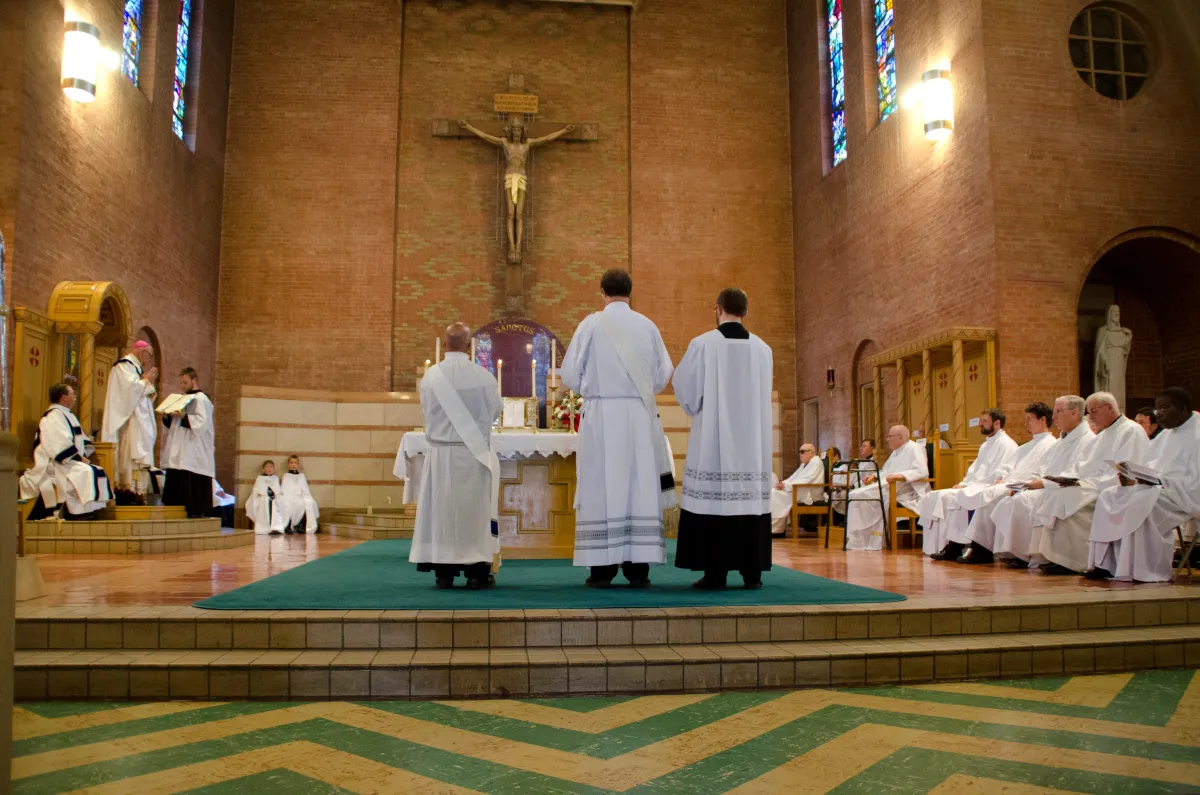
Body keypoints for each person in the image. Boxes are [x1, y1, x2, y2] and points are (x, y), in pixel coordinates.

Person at [561, 269, 674, 587]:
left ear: (602, 292)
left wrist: (593, 386)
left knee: (602, 484)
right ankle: (638, 569)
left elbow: (569, 374)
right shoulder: (647, 325)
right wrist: (641, 388)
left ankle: (602, 569)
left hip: (601, 417)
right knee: (638, 484)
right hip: (638, 415)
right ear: (630, 292)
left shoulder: (591, 324)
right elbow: (665, 370)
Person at [673, 288, 774, 590]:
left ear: (717, 308)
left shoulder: (703, 344)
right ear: (747, 310)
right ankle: (752, 574)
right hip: (752, 444)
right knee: (748, 504)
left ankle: (715, 574)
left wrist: (696, 407)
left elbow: (686, 390)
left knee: (715, 504)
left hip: (715, 441)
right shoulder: (763, 349)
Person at [410, 322, 503, 589]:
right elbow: (495, 411)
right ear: (469, 344)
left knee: (442, 513)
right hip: (472, 455)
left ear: (445, 342)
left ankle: (444, 572)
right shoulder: (484, 376)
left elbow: (426, 412)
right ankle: (476, 573)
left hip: (440, 456)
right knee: (472, 514)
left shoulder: (430, 377)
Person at [1024, 391, 1148, 574]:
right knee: (1056, 495)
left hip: (1112, 487)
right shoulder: (1102, 435)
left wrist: (1085, 482)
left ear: (1109, 408)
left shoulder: (1131, 430)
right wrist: (1066, 479)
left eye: (1094, 411)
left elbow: (1127, 469)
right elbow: (1083, 465)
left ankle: (1073, 560)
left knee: (1064, 499)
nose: (1091, 417)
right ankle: (1057, 556)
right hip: (1091, 484)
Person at [1087, 388, 1199, 582]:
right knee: (1109, 495)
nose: (1159, 413)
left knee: (1142, 501)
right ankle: (1106, 564)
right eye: (1157, 408)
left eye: (1165, 407)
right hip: (1160, 489)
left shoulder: (1197, 435)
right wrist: (1133, 476)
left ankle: (1143, 569)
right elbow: (1150, 466)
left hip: (1183, 496)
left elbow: (1195, 482)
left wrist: (1161, 481)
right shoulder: (1165, 436)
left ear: (1183, 408)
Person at [991, 395, 1094, 568]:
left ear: (1074, 413)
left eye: (1058, 412)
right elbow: (1047, 469)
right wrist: (1033, 483)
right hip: (1051, 486)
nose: (1054, 417)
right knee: (1013, 500)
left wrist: (1043, 483)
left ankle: (1056, 557)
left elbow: (1078, 473)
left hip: (1070, 489)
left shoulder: (1088, 439)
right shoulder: (1063, 440)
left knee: (1025, 501)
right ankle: (1020, 553)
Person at [957, 402, 1058, 564]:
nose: (1026, 424)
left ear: (1043, 420)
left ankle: (995, 550)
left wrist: (1020, 484)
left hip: (1026, 485)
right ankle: (980, 548)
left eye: (1029, 419)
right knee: (986, 495)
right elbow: (1008, 465)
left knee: (989, 496)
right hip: (1012, 483)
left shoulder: (1052, 444)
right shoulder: (1027, 446)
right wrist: (1002, 477)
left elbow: (1043, 471)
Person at [922, 408, 1018, 560]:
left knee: (964, 496)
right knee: (955, 496)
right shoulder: (986, 445)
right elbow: (974, 470)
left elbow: (1001, 471)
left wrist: (971, 485)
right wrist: (965, 483)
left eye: (984, 421)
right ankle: (954, 546)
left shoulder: (1007, 444)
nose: (980, 424)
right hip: (977, 484)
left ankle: (976, 548)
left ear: (997, 423)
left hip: (990, 485)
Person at [19, 383, 114, 520]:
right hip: (54, 463)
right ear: (63, 398)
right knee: (85, 472)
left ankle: (89, 511)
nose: (75, 397)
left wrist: (83, 454)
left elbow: (81, 438)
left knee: (95, 470)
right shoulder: (52, 417)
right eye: (72, 394)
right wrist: (78, 458)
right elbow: (57, 443)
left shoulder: (67, 415)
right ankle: (77, 513)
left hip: (67, 460)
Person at [845, 425, 929, 550]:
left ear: (900, 437)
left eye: (890, 436)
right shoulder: (896, 451)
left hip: (906, 491)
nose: (887, 439)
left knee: (859, 495)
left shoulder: (915, 448)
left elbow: (922, 471)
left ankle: (866, 539)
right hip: (892, 487)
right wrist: (874, 476)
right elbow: (885, 471)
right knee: (855, 493)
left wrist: (900, 475)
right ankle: (861, 538)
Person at [99, 340, 158, 493]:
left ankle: (136, 490)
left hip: (136, 421)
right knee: (129, 455)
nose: (149, 360)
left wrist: (147, 385)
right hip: (128, 422)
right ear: (142, 352)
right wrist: (147, 381)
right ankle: (128, 491)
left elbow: (139, 394)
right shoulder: (124, 367)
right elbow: (129, 392)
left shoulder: (134, 369)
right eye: (150, 356)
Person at [161, 367, 216, 519]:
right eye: (181, 383)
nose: (183, 386)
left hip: (194, 449)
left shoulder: (201, 399)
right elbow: (173, 426)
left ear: (194, 380)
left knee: (192, 480)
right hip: (180, 447)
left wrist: (184, 416)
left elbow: (201, 423)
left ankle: (196, 511)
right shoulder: (182, 399)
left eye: (185, 382)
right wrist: (168, 416)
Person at [770, 443, 825, 537]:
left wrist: (786, 486)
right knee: (774, 492)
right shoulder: (804, 464)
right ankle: (776, 529)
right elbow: (793, 477)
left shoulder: (816, 461)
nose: (800, 454)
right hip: (799, 489)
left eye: (803, 452)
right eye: (799, 452)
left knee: (774, 494)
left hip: (809, 493)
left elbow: (807, 479)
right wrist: (783, 484)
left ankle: (777, 531)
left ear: (812, 452)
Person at [832, 438, 877, 517]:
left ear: (872, 448)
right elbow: (856, 477)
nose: (861, 448)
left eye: (864, 446)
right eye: (861, 446)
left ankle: (845, 519)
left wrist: (851, 486)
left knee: (843, 494)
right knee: (836, 493)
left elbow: (867, 481)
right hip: (856, 486)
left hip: (865, 489)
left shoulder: (872, 463)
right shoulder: (862, 462)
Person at [279, 455, 319, 534]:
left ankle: (300, 525)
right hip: (289, 497)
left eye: (295, 463)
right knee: (287, 504)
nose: (293, 465)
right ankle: (288, 525)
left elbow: (305, 489)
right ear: (288, 465)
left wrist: (304, 496)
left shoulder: (302, 476)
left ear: (298, 464)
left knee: (309, 502)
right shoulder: (286, 476)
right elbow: (285, 489)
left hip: (300, 497)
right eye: (291, 463)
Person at [245, 460, 285, 535]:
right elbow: (257, 490)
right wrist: (264, 493)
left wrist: (276, 494)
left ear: (274, 469)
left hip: (274, 498)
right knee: (265, 503)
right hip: (262, 498)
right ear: (263, 469)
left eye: (271, 467)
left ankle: (275, 527)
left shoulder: (275, 478)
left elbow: (277, 489)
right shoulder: (260, 478)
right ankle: (264, 527)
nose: (269, 469)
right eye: (267, 467)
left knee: (277, 504)